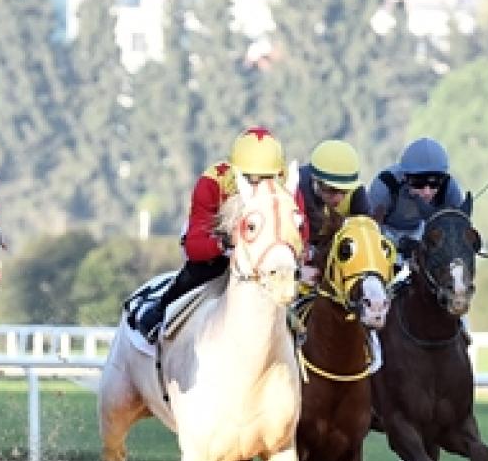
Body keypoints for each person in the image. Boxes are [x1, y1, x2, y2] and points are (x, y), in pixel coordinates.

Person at [136, 126, 307, 341]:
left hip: (263, 258)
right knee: (200, 270)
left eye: (266, 179)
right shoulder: (211, 182)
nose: (258, 186)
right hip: (215, 247)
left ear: (279, 173)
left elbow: (302, 236)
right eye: (250, 179)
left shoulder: (287, 189)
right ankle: (161, 310)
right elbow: (195, 246)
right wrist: (225, 244)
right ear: (234, 171)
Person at [365, 137, 470, 258]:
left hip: (423, 234)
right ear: (405, 176)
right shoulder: (386, 184)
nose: (427, 192)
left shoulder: (448, 186)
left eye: (434, 183)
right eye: (419, 183)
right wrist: (396, 244)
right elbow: (369, 229)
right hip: (385, 234)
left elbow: (458, 228)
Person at [295, 138, 376, 283]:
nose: (338, 198)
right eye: (332, 190)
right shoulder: (295, 189)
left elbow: (366, 241)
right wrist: (297, 272)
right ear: (315, 181)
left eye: (344, 191)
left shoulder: (357, 193)